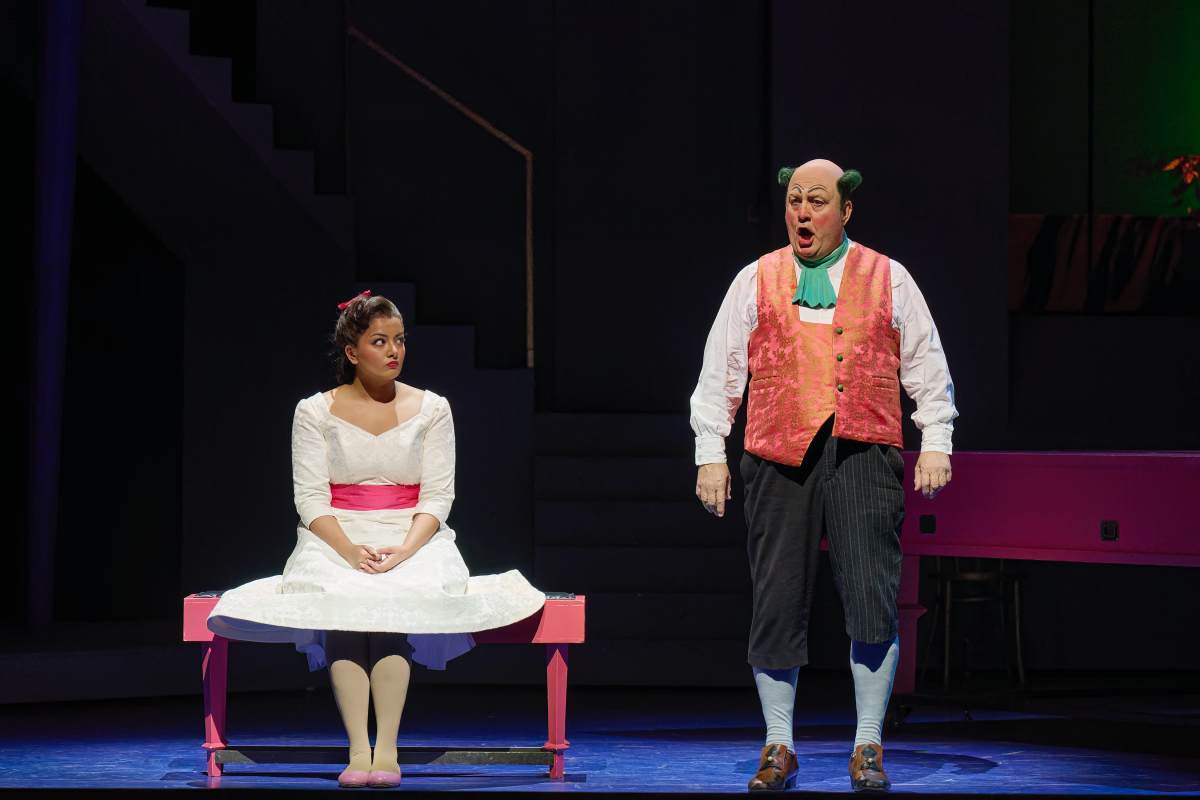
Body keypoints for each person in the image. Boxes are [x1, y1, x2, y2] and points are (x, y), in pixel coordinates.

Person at [689, 160, 958, 792]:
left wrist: (937, 438)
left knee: (871, 596)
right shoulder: (756, 279)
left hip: (864, 451)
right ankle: (778, 744)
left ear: (846, 210)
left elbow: (925, 359)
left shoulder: (888, 277)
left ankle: (868, 745)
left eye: (816, 201)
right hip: (777, 454)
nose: (802, 213)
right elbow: (720, 369)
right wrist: (710, 452)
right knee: (777, 600)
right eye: (793, 201)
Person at [208, 291, 545, 788]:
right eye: (380, 341)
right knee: (344, 604)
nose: (394, 351)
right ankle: (357, 748)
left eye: (400, 340)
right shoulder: (314, 411)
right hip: (335, 537)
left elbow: (437, 495)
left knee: (393, 605)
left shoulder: (432, 408)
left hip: (412, 536)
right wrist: (348, 551)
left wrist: (406, 549)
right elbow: (310, 498)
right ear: (352, 352)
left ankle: (386, 747)